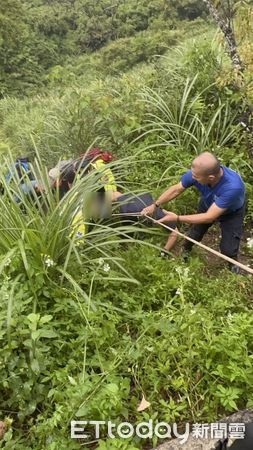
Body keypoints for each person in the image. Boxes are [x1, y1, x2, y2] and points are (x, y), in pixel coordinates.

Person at [141, 152, 246, 273]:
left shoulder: (233, 187)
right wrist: (155, 205)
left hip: (231, 213)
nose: (192, 177)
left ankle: (232, 261)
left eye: (196, 176)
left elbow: (209, 217)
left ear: (210, 178)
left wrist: (177, 218)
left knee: (228, 249)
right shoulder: (198, 173)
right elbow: (176, 189)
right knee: (195, 233)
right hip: (208, 204)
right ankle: (186, 248)